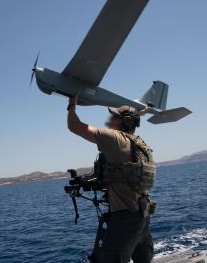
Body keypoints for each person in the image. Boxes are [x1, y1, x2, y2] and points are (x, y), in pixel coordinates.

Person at [66, 94, 156, 263]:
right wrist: (139, 113)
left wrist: (72, 103)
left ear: (125, 121)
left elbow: (75, 126)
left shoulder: (115, 139)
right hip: (143, 212)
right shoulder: (140, 144)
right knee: (142, 256)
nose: (110, 119)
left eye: (114, 116)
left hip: (125, 218)